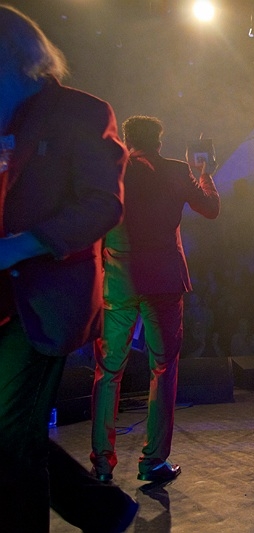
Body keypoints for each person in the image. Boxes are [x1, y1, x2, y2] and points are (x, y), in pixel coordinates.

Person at [0, 5, 139, 531]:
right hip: (5, 297)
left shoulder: (82, 112)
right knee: (14, 433)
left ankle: (101, 511)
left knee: (11, 435)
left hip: (44, 300)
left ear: (16, 60)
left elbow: (103, 205)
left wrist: (21, 246)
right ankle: (103, 510)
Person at [90, 115, 220, 484]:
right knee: (163, 370)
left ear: (126, 140)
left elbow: (96, 220)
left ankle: (102, 465)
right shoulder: (178, 170)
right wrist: (205, 174)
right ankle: (153, 461)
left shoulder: (112, 169)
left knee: (108, 372)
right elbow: (211, 209)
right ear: (159, 143)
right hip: (163, 281)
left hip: (119, 281)